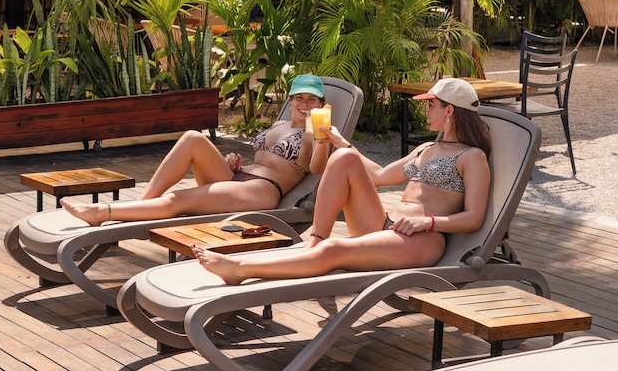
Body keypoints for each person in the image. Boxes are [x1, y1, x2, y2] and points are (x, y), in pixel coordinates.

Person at [193, 78, 492, 286]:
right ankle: (315, 238)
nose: (426, 110)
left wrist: (427, 222)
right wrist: (339, 142)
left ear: (449, 110)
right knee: (344, 157)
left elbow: (474, 217)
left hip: (422, 239)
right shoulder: (426, 148)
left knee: (335, 250)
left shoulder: (472, 157)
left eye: (432, 105)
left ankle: (240, 269)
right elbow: (378, 176)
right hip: (384, 224)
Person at [61, 74, 332, 225]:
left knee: (179, 199)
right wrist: (234, 162)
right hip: (239, 176)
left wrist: (322, 137)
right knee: (193, 137)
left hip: (260, 191)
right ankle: (142, 203)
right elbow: (263, 159)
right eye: (299, 98)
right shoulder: (280, 124)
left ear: (321, 104)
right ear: (290, 101)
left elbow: (317, 168)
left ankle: (103, 212)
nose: (304, 104)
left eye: (312, 99)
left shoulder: (315, 133)